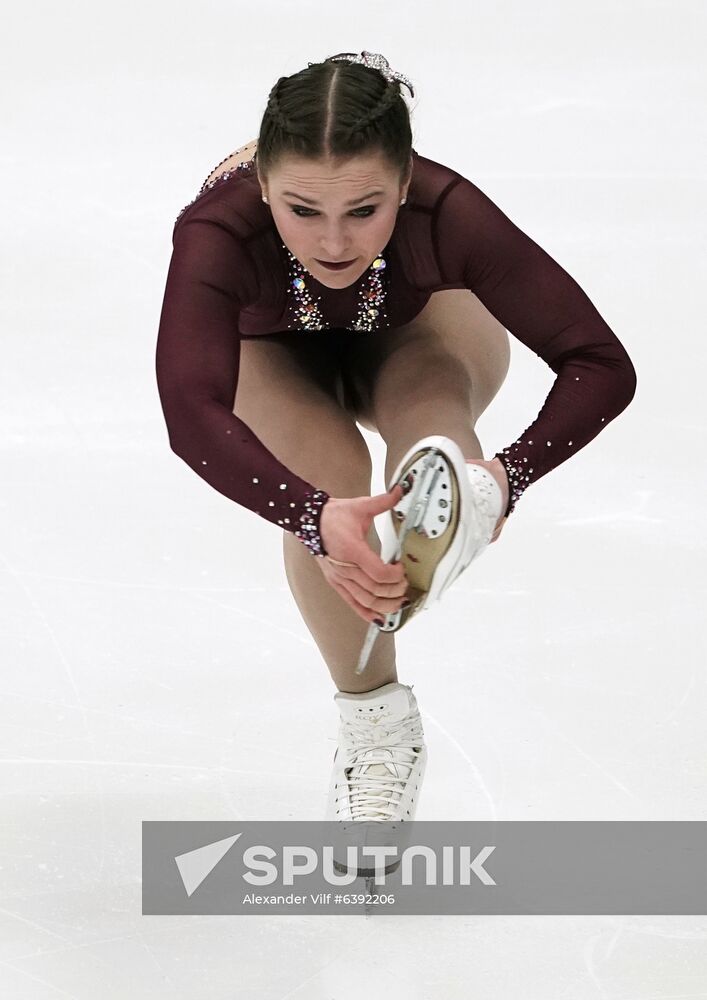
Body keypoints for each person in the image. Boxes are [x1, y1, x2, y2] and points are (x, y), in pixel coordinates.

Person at [155, 51, 637, 847]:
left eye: (366, 209)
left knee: (432, 405)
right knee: (326, 471)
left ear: (407, 184)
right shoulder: (217, 232)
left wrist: (509, 475)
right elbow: (190, 409)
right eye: (302, 209)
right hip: (272, 354)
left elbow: (601, 363)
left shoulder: (446, 211)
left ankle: (449, 491)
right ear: (263, 186)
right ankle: (377, 724)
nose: (335, 240)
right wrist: (311, 517)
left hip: (414, 334)